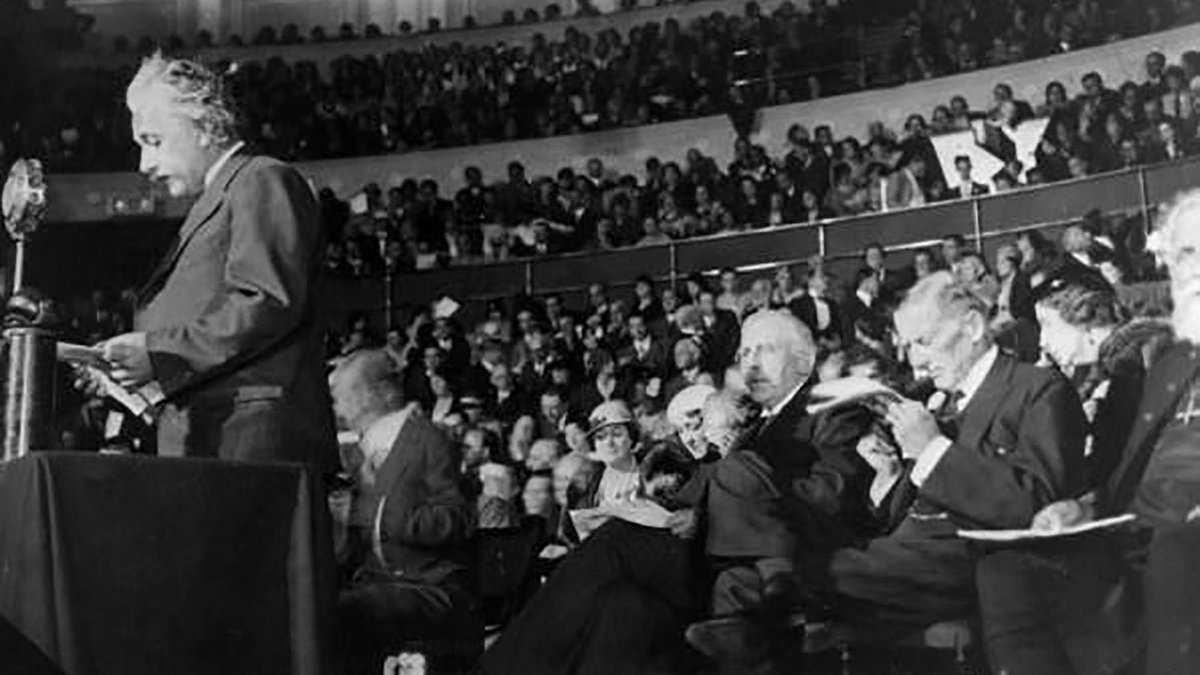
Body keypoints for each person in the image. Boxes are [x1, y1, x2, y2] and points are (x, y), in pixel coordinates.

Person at [95, 53, 335, 470]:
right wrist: (141, 372)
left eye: (153, 141)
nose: (143, 164)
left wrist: (160, 353)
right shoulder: (223, 194)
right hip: (217, 433)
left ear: (204, 128)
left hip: (249, 437)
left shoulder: (261, 178)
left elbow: (265, 302)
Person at [328, 350, 479, 675]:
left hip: (431, 586)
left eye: (341, 397)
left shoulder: (427, 439)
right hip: (374, 581)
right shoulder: (356, 451)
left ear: (373, 393)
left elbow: (461, 518)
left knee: (342, 612)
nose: (336, 408)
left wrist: (389, 519)